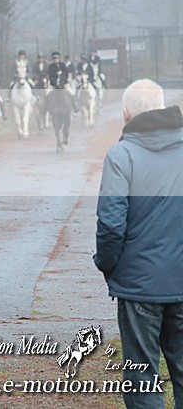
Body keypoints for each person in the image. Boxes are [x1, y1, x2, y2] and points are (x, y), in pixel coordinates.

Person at [94, 78, 183, 409]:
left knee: (142, 375)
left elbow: (111, 225)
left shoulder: (121, 155)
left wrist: (108, 264)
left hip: (138, 287)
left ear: (126, 114)